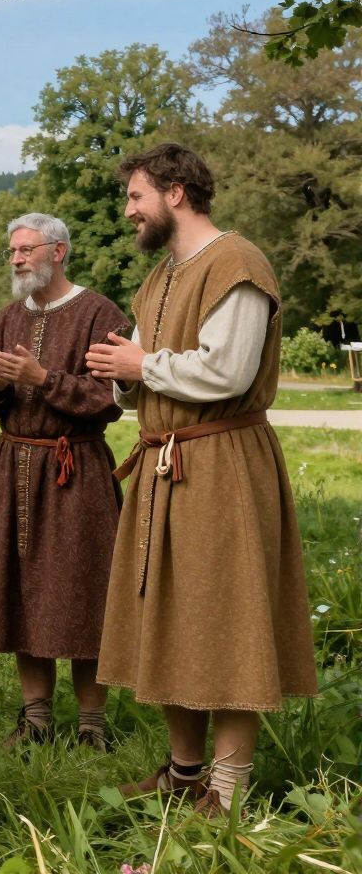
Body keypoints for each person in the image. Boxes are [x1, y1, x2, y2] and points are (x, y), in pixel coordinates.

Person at [85, 143, 317, 817]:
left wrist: (141, 364)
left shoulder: (236, 265)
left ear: (175, 192)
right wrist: (120, 375)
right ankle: (185, 777)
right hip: (163, 464)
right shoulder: (158, 278)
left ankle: (228, 790)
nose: (128, 210)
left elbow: (228, 372)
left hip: (222, 466)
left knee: (228, 615)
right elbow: (148, 370)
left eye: (135, 196)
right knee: (169, 617)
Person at [0, 213, 129, 749]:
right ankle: (35, 720)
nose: (16, 259)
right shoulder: (5, 318)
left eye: (26, 250)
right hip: (14, 468)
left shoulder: (99, 313)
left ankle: (92, 726)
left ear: (58, 252)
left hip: (75, 470)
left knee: (84, 591)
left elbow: (110, 400)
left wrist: (43, 379)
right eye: (12, 251)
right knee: (21, 590)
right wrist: (0, 383)